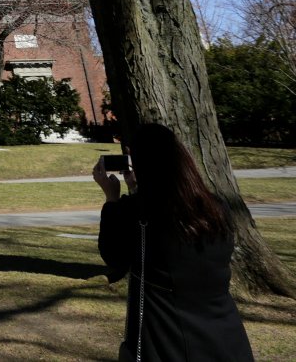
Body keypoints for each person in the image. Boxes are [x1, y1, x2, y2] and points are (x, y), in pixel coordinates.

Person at [94, 124, 254, 362]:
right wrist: (136, 189)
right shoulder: (216, 207)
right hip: (224, 334)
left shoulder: (136, 211)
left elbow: (113, 256)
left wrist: (112, 199)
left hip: (167, 335)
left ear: (143, 165)